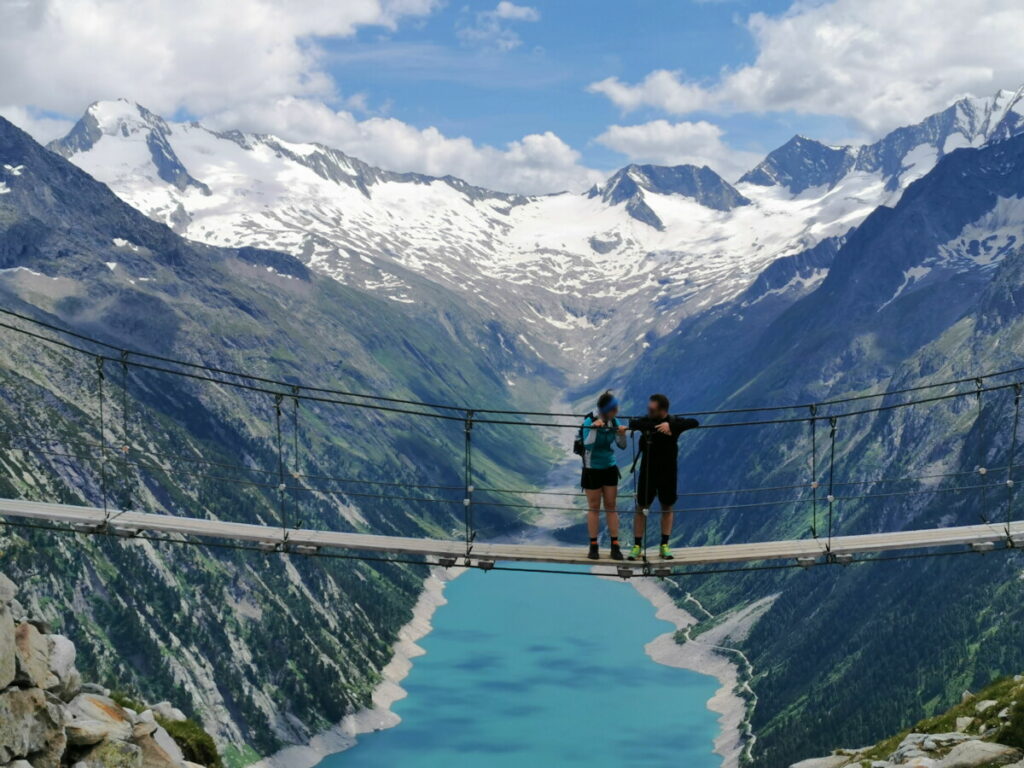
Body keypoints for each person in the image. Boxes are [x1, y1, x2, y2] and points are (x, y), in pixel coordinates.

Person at [627, 394, 699, 560]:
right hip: (648, 471)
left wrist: (671, 426)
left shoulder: (674, 423)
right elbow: (634, 423)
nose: (648, 411)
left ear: (662, 410)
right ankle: (637, 546)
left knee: (667, 506)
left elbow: (694, 422)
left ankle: (664, 545)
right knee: (641, 507)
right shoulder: (647, 421)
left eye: (652, 410)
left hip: (668, 472)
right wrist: (654, 426)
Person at [580, 391, 628, 560]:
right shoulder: (589, 421)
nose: (618, 410)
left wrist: (621, 434)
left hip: (609, 466)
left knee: (611, 505)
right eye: (615, 408)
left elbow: (622, 446)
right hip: (592, 467)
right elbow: (588, 445)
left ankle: (615, 545)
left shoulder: (614, 421)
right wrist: (594, 428)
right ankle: (593, 546)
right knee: (594, 507)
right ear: (609, 409)